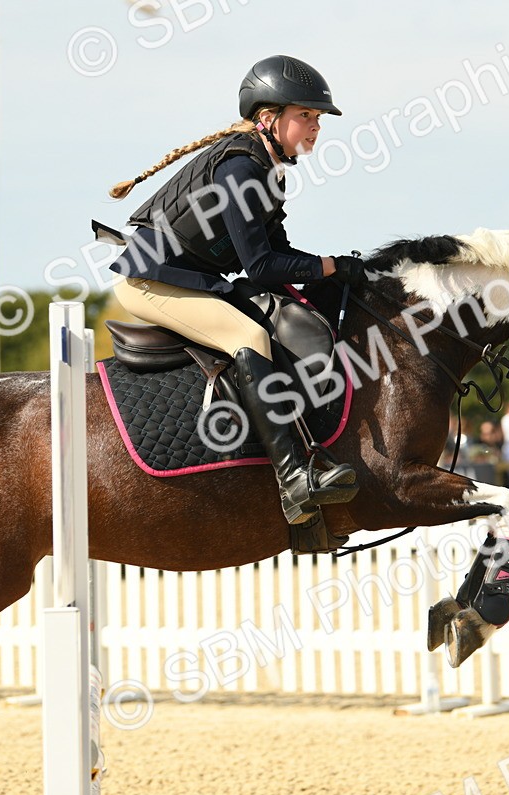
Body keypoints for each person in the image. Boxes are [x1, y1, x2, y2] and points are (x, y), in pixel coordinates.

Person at [106, 55, 364, 524]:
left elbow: (279, 254)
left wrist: (331, 273)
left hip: (186, 279)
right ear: (268, 118)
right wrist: (328, 267)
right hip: (150, 283)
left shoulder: (266, 170)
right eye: (305, 115)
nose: (315, 126)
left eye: (318, 117)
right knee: (250, 336)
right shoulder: (240, 169)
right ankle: (292, 479)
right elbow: (260, 265)